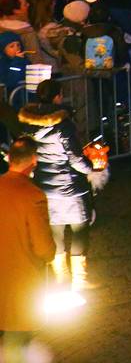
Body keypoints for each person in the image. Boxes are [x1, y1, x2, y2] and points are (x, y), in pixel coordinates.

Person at [19, 78, 102, 292]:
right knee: (79, 230)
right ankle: (80, 280)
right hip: (71, 186)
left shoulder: (28, 124)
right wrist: (93, 168)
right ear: (58, 96)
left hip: (45, 187)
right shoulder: (63, 125)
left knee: (55, 233)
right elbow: (75, 158)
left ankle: (61, 278)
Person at [0, 137, 56, 360]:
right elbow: (43, 248)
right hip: (19, 280)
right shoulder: (33, 196)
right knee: (16, 340)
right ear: (34, 160)